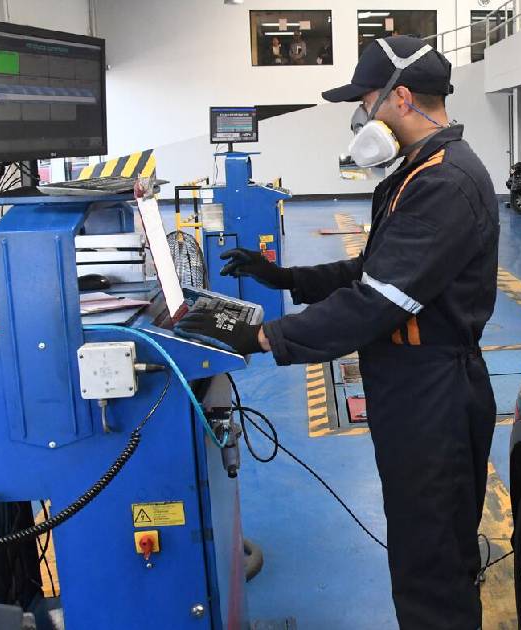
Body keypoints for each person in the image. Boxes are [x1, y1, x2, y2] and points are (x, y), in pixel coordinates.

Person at [175, 36, 500, 629]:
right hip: (411, 385)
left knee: (430, 563)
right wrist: (286, 278)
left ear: (402, 98)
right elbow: (373, 270)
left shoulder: (444, 183)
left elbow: (377, 302)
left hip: (433, 393)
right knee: (423, 545)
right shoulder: (418, 172)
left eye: (366, 101)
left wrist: (264, 338)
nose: (361, 116)